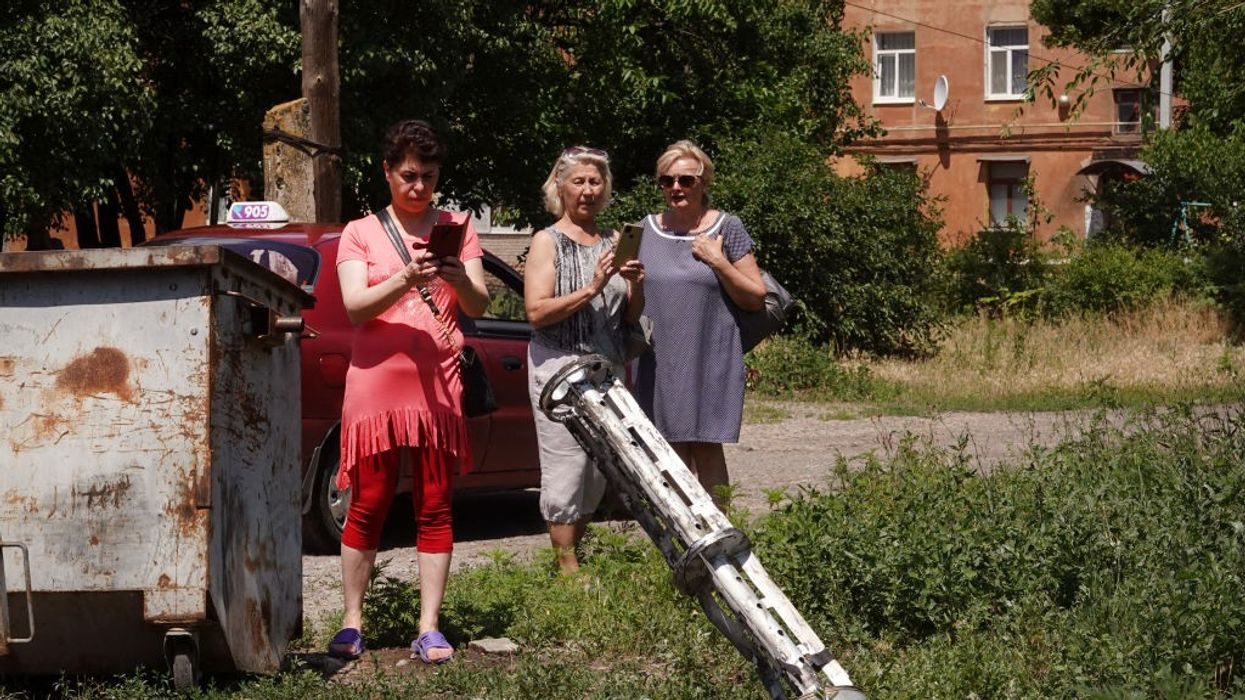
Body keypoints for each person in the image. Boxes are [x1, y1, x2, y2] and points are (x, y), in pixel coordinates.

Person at [329, 119, 490, 664]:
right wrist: (407, 277)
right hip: (376, 388)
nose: (418, 186)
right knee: (369, 502)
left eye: (428, 176)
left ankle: (428, 626)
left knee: (435, 505)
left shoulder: (458, 227)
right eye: (408, 175)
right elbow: (354, 307)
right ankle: (352, 622)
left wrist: (456, 276)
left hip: (437, 387)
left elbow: (478, 305)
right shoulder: (359, 232)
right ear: (387, 172)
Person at [524, 146, 645, 573]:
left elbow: (630, 317)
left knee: (598, 470)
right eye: (579, 181)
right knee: (567, 467)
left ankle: (576, 555)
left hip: (606, 369)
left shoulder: (614, 242)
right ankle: (566, 569)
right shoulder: (547, 240)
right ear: (560, 187)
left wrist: (636, 285)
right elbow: (536, 312)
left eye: (596, 182)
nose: (588, 191)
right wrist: (591, 288)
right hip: (560, 369)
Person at [634, 139, 765, 506]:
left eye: (686, 180)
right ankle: (681, 541)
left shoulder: (727, 228)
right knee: (667, 453)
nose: (676, 188)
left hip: (711, 358)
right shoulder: (644, 231)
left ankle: (720, 539)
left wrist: (718, 261)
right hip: (660, 360)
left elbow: (755, 296)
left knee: (707, 449)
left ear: (704, 182)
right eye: (667, 180)